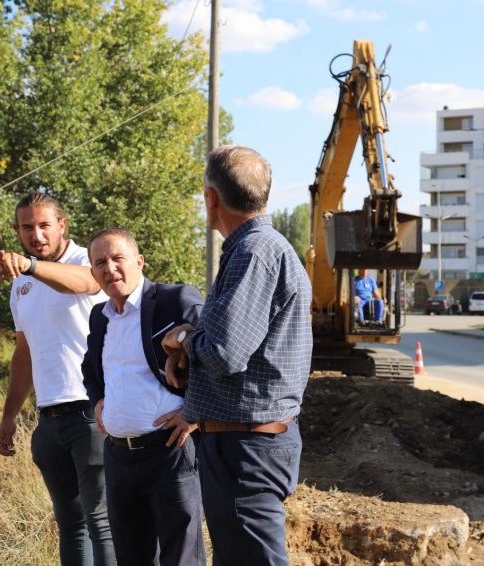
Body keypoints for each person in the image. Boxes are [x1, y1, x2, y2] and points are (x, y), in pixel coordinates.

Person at [162, 145, 312, 566]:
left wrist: (183, 341)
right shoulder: (256, 249)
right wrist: (193, 342)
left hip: (247, 445)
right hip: (246, 441)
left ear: (211, 197)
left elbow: (226, 353)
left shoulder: (254, 253)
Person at [0, 192, 115, 566]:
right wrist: (9, 417)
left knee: (101, 522)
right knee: (70, 526)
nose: (37, 235)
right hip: (49, 419)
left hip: (91, 413)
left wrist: (31, 266)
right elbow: (24, 354)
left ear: (62, 225)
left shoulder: (86, 261)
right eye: (27, 227)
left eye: (45, 225)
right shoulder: (20, 285)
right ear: (17, 231)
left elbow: (85, 283)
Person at [80, 228, 205, 566]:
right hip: (119, 459)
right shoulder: (100, 317)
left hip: (171, 453)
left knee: (181, 559)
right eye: (100, 263)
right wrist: (98, 400)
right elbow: (90, 368)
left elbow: (216, 354)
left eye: (117, 258)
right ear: (92, 272)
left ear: (139, 261)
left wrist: (194, 412)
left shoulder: (174, 300)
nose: (110, 268)